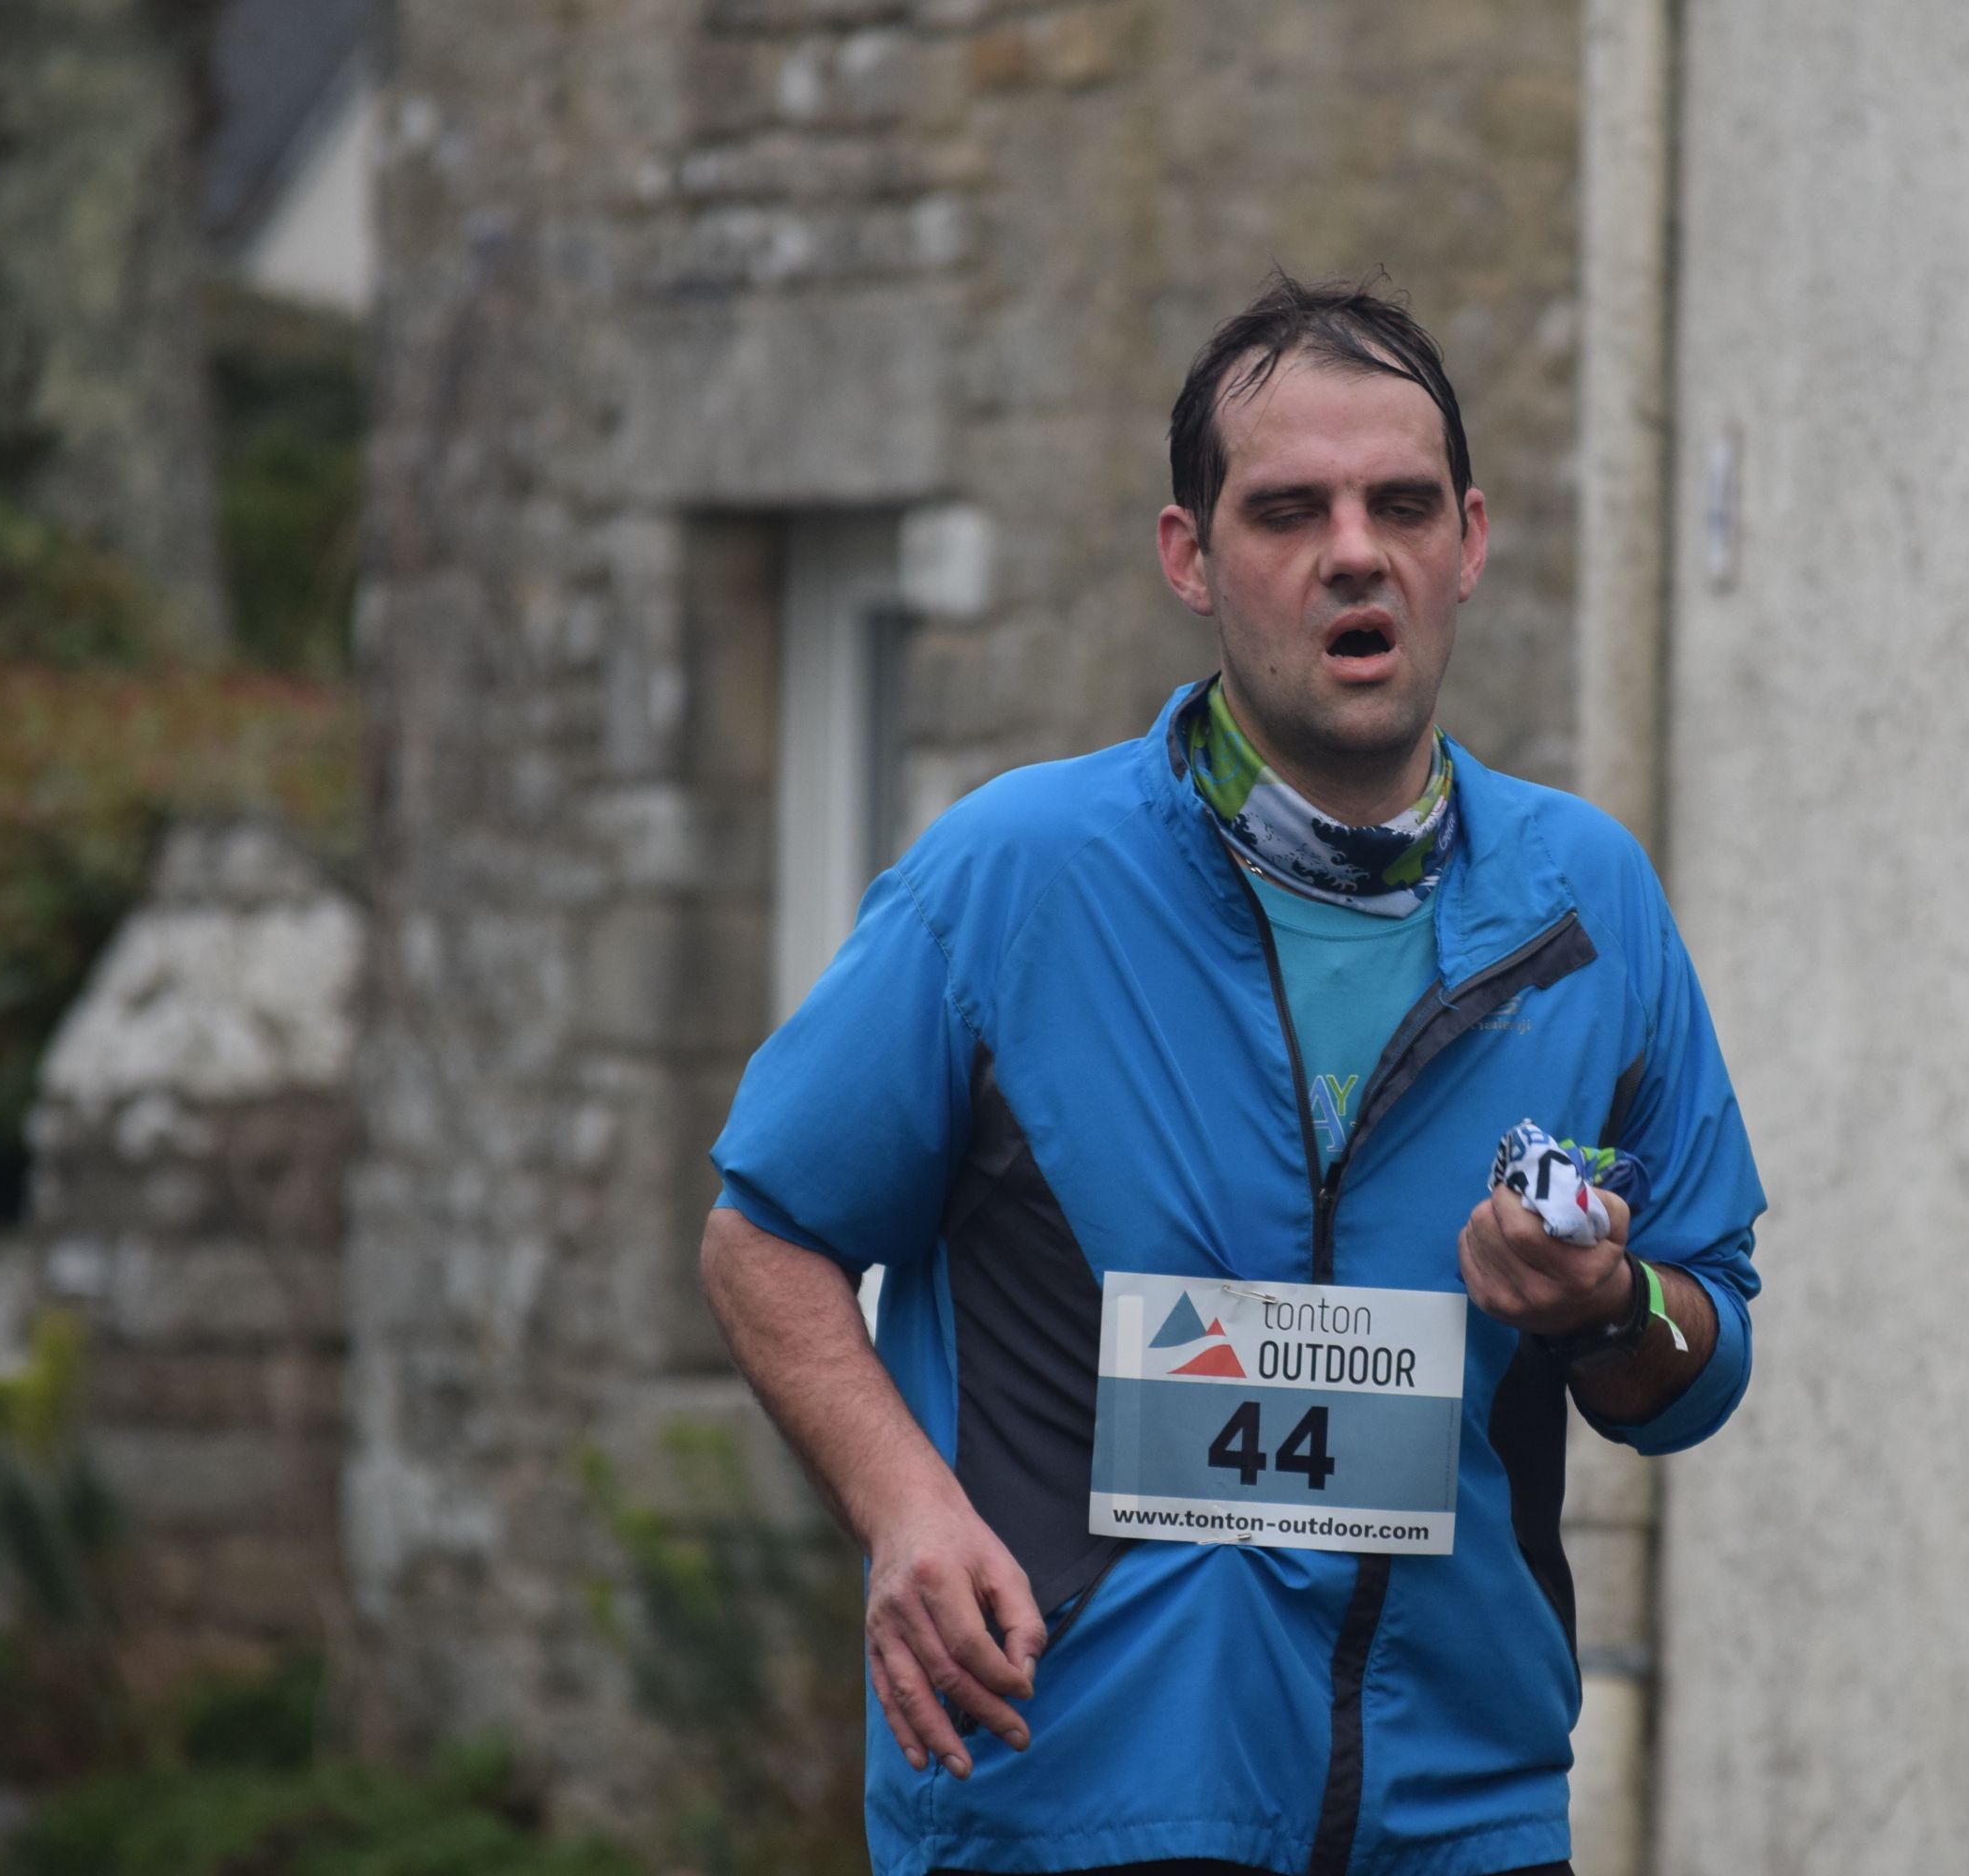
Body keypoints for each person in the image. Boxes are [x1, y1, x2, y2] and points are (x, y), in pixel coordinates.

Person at [700, 271, 1765, 1876]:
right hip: (1073, 1806)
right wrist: (905, 1508)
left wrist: (1607, 1307)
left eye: (1401, 505)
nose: (1356, 551)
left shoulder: (1586, 905)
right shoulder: (1013, 879)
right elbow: (763, 1237)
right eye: (1287, 511)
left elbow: (1707, 1339)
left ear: (1469, 543)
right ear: (1189, 557)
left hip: (1456, 1824)